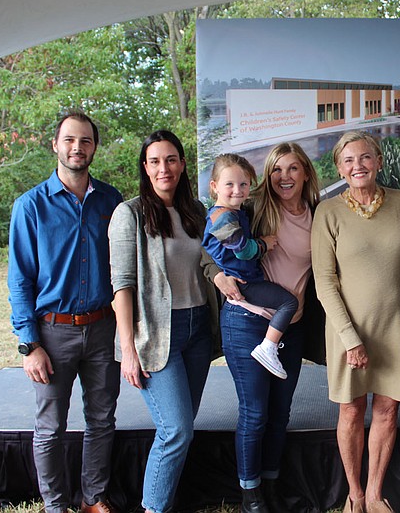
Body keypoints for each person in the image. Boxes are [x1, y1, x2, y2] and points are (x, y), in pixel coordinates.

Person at [108, 130, 241, 513]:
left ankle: (168, 498)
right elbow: (122, 285)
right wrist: (129, 351)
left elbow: (212, 260)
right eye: (154, 161)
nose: (163, 168)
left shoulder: (197, 211)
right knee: (176, 429)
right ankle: (154, 507)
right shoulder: (129, 213)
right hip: (154, 335)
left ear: (183, 165)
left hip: (198, 328)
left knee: (181, 427)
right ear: (145, 168)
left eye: (170, 160)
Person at [8, 111, 122, 513]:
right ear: (55, 145)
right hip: (52, 334)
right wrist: (29, 344)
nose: (78, 147)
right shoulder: (30, 206)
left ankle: (94, 499)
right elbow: (19, 280)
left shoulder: (112, 201)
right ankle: (56, 506)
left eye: (86, 140)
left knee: (102, 421)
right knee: (50, 428)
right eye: (70, 140)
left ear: (94, 147)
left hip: (103, 329)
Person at [311, 131, 400, 513]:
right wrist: (349, 338)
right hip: (348, 331)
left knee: (388, 410)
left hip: (395, 325)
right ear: (339, 167)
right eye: (349, 161)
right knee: (351, 410)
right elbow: (324, 281)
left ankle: (375, 493)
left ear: (379, 161)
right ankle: (354, 493)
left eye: (365, 158)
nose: (358, 166)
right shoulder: (327, 211)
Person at [219, 142, 320, 513]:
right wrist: (214, 273)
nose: (284, 177)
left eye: (292, 169)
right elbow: (211, 234)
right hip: (248, 320)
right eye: (277, 169)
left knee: (280, 413)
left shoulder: (318, 212)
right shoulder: (254, 206)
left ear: (305, 172)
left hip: (290, 328)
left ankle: (272, 485)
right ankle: (251, 495)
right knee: (255, 412)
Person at [203, 153, 299, 380]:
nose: (238, 190)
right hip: (242, 281)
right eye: (230, 184)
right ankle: (268, 347)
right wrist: (264, 244)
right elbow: (243, 250)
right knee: (288, 302)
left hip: (245, 278)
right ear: (215, 186)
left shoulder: (237, 211)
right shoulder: (222, 217)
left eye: (243, 184)